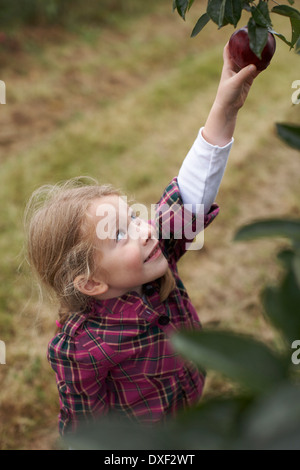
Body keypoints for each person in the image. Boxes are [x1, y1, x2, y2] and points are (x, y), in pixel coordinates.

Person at [25, 44, 259, 436]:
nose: (145, 228)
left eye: (133, 216)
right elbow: (84, 432)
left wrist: (225, 108)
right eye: (119, 234)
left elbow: (190, 191)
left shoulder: (151, 253)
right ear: (92, 282)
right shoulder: (82, 349)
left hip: (188, 406)